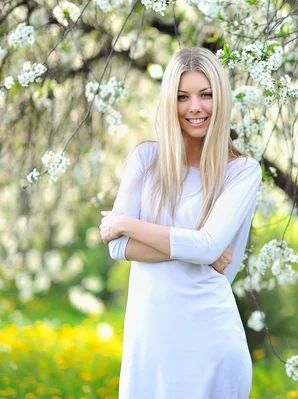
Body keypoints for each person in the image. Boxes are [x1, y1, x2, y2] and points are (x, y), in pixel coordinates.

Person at [99, 47, 262, 399]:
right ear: (168, 103)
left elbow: (208, 248)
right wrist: (195, 248)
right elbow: (117, 246)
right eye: (182, 96)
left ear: (221, 99)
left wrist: (127, 222)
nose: (195, 107)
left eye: (206, 95)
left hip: (210, 340)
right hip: (149, 339)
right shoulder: (145, 159)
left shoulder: (242, 171)